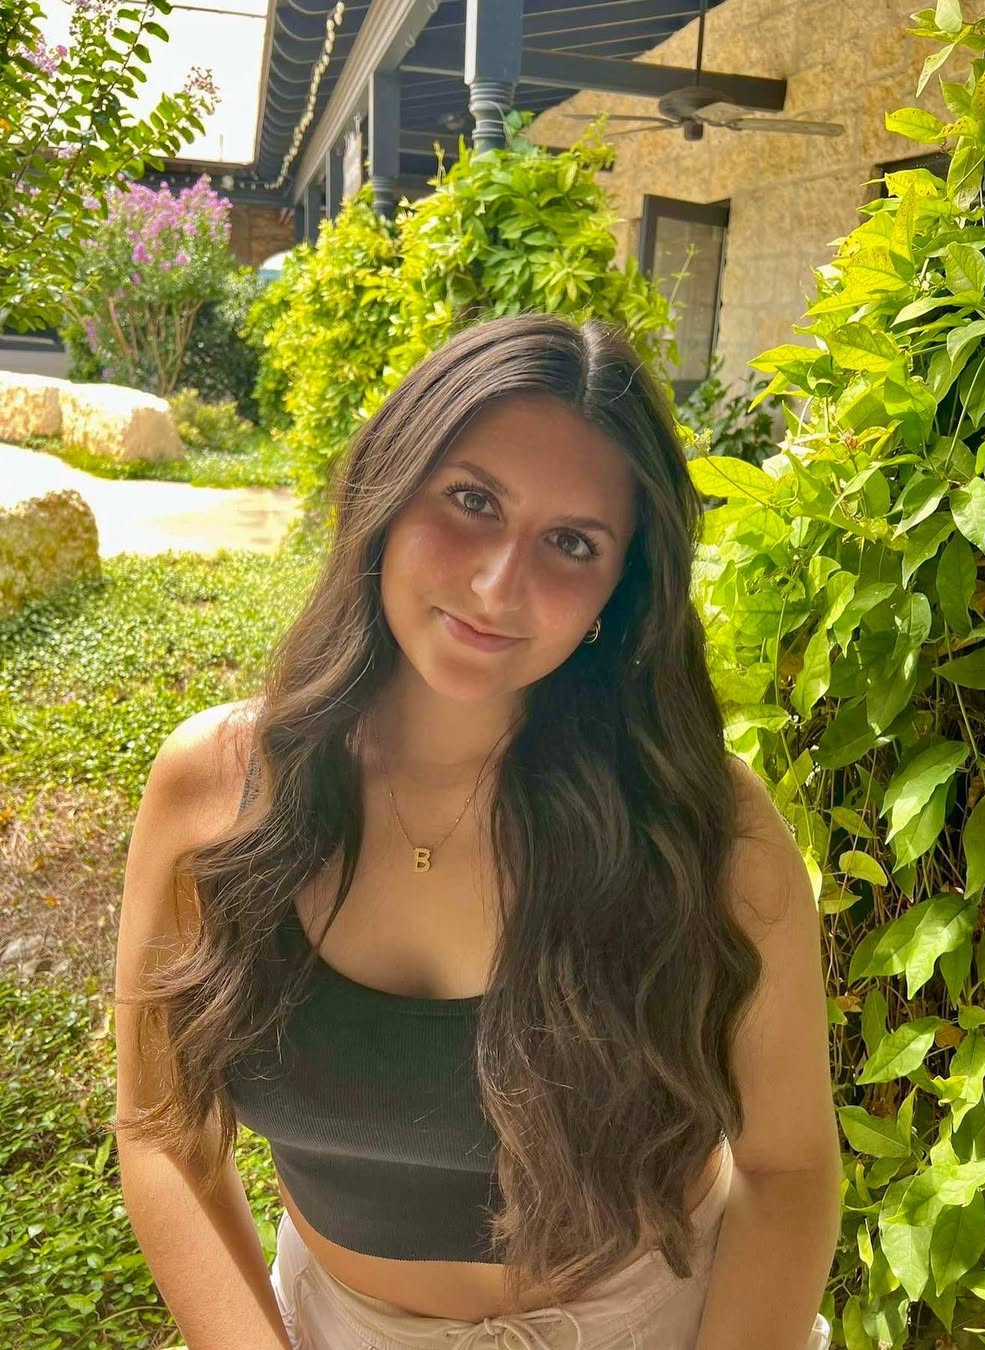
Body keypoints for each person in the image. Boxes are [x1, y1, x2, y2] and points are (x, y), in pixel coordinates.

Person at [113, 312, 840, 1350]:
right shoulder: (215, 792)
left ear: (619, 592)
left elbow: (789, 1168)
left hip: (658, 1322)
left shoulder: (701, 828)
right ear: (390, 491)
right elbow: (162, 1137)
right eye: (473, 500)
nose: (500, 584)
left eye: (572, 544)